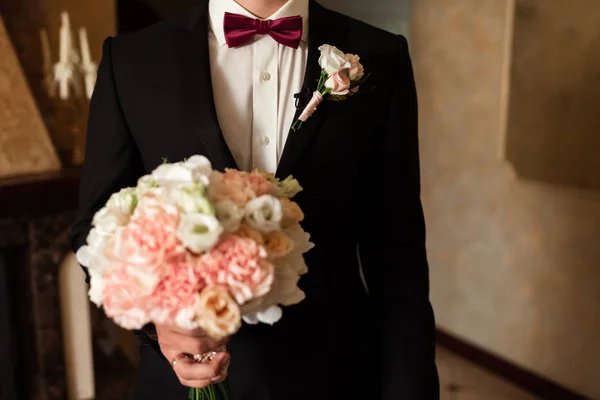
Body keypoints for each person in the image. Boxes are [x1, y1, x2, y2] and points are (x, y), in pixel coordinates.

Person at [70, 0, 439, 398]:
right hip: (182, 383)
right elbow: (97, 225)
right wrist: (157, 321)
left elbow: (398, 255)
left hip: (333, 374)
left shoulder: (380, 55)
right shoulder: (132, 59)